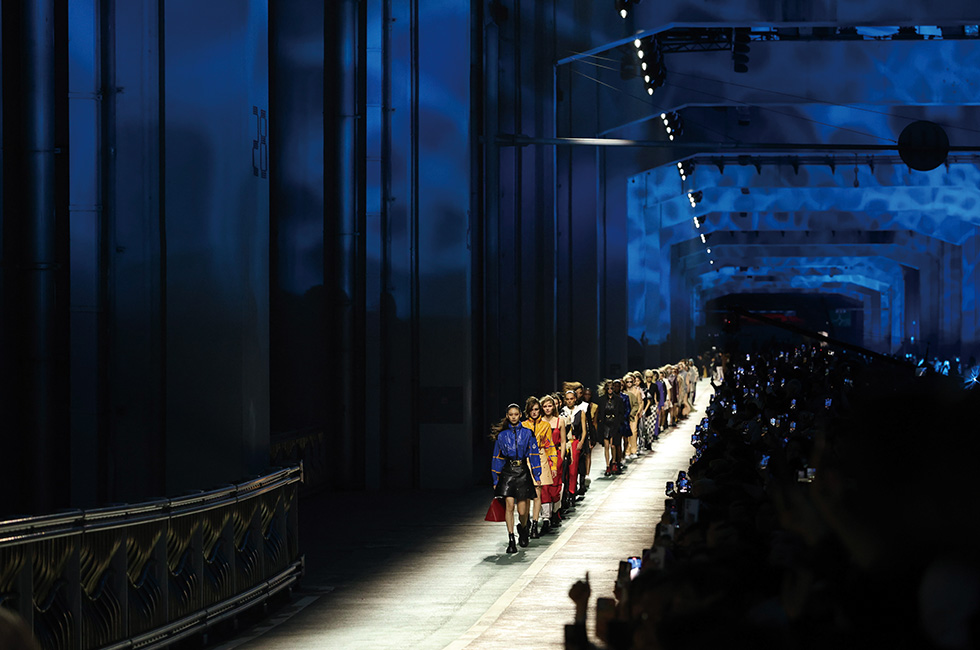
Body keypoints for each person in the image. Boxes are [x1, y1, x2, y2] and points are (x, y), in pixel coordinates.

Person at [491, 404, 542, 553]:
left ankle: (523, 528)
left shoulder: (528, 433)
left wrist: (537, 474)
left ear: (520, 415)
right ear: (507, 416)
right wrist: (495, 478)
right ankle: (511, 539)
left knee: (522, 510)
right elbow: (497, 458)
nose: (513, 417)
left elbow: (534, 454)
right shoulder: (502, 436)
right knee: (509, 505)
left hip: (522, 471)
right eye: (511, 414)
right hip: (508, 471)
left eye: (516, 414)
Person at [523, 396, 557, 539]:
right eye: (532, 410)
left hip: (541, 457)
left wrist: (553, 465)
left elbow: (550, 445)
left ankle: (534, 524)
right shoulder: (523, 425)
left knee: (537, 492)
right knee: (526, 494)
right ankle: (525, 523)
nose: (534, 412)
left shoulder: (545, 425)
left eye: (537, 409)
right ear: (528, 411)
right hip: (526, 459)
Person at [539, 394, 565, 531]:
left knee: (555, 487)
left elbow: (563, 441)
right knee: (544, 487)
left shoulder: (559, 421)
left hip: (556, 456)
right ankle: (546, 517)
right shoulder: (540, 422)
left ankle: (555, 511)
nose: (548, 408)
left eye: (550, 406)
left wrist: (562, 456)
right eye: (545, 406)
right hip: (543, 457)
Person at [596, 380, 625, 476]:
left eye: (611, 388)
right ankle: (608, 466)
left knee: (613, 445)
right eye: (608, 388)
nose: (610, 390)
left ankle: (614, 463)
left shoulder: (618, 400)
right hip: (605, 424)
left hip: (614, 424)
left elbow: (621, 412)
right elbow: (600, 412)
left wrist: (619, 422)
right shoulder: (601, 400)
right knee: (606, 446)